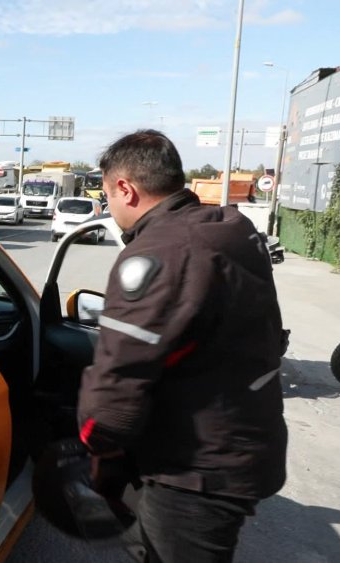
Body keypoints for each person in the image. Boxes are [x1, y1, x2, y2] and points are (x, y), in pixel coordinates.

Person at [76, 130, 288, 562]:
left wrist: (98, 450)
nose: (109, 206)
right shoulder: (229, 228)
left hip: (195, 470)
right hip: (240, 440)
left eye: (106, 194)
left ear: (125, 188)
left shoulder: (160, 254)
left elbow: (118, 387)